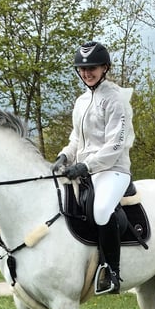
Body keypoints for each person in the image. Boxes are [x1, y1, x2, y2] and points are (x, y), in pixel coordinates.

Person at [50, 41, 135, 294]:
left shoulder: (115, 99)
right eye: (82, 69)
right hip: (85, 169)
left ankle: (112, 272)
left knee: (100, 211)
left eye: (93, 68)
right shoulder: (81, 101)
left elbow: (114, 146)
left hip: (113, 169)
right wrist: (64, 156)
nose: (87, 73)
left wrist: (85, 166)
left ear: (105, 68)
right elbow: (76, 139)